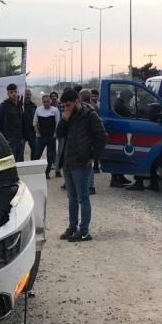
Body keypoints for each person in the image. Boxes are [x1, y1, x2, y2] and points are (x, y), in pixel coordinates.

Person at [56, 89, 106, 242]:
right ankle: (72, 227)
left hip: (81, 164)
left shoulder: (89, 115)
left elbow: (102, 136)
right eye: (64, 106)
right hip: (68, 162)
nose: (66, 108)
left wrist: (93, 156)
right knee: (71, 197)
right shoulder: (67, 116)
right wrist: (64, 119)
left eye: (68, 105)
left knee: (83, 198)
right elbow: (58, 134)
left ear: (77, 101)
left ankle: (84, 232)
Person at [0, 83, 26, 162]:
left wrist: (24, 137)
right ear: (8, 94)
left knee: (20, 163)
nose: (13, 94)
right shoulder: (3, 106)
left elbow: (23, 121)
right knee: (11, 164)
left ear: (18, 92)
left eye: (15, 91)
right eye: (11, 92)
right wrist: (3, 140)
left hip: (20, 140)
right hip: (10, 141)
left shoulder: (20, 105)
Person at [33, 94, 60, 178]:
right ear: (42, 102)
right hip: (41, 137)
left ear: (50, 101)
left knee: (50, 156)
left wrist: (55, 134)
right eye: (45, 102)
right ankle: (35, 171)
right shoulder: (38, 109)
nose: (46, 103)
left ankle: (46, 173)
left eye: (48, 101)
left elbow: (58, 123)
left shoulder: (55, 110)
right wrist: (38, 133)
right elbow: (35, 122)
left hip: (51, 137)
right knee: (37, 154)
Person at [79, 88, 98, 195]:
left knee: (85, 165)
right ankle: (90, 186)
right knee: (89, 164)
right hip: (92, 138)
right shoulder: (95, 107)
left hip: (85, 139)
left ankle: (88, 186)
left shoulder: (82, 108)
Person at [22, 89, 37, 160]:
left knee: (35, 150)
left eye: (30, 95)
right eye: (27, 95)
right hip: (22, 132)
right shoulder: (20, 105)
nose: (28, 96)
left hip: (31, 131)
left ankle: (33, 164)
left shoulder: (33, 106)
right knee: (20, 151)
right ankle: (20, 166)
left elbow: (37, 118)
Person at [90, 88, 102, 173]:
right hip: (90, 130)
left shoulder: (100, 105)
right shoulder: (88, 105)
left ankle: (96, 166)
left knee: (97, 147)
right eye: (92, 96)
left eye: (95, 96)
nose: (94, 98)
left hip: (98, 129)